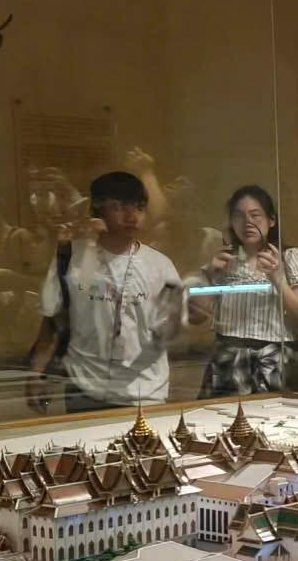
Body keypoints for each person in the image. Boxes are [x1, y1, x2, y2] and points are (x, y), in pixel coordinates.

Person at [26, 169, 182, 412]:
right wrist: (36, 374)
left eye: (139, 208)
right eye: (119, 207)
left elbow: (172, 328)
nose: (131, 216)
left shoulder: (160, 266)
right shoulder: (72, 257)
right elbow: (52, 321)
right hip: (85, 389)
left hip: (145, 391)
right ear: (97, 210)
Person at [189, 184, 298, 397]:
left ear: (271, 220)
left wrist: (278, 280)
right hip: (227, 358)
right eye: (239, 216)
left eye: (255, 215)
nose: (247, 223)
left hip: (272, 359)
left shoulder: (290, 257)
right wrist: (210, 276)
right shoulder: (224, 258)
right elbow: (197, 317)